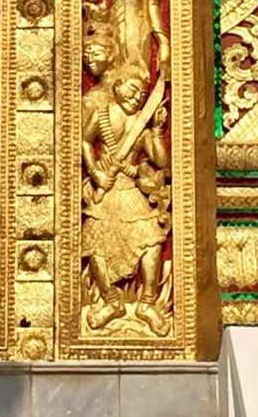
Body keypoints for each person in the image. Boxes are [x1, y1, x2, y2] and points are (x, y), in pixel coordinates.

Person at [81, 64, 170, 336]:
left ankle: (147, 304)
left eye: (142, 95)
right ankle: (111, 301)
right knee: (94, 246)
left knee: (152, 240)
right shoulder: (103, 114)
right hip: (106, 189)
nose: (137, 98)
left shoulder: (141, 124)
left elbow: (160, 160)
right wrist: (95, 172)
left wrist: (157, 130)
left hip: (129, 189)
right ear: (118, 87)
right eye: (133, 90)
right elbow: (84, 141)